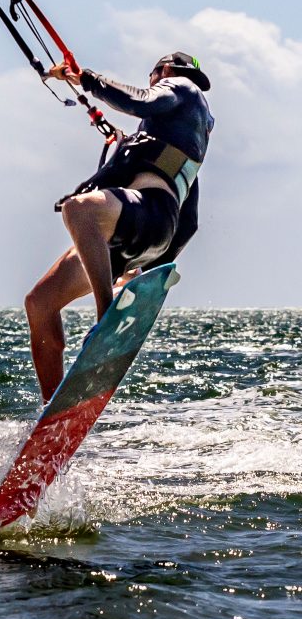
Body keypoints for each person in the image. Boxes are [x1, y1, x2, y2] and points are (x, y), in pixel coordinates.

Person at [24, 52, 215, 403]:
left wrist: (86, 79)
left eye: (155, 76)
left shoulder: (181, 87)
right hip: (137, 234)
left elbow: (139, 100)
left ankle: (105, 318)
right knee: (40, 304)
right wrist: (150, 270)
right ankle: (54, 411)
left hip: (148, 214)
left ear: (164, 71)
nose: (155, 82)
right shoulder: (181, 146)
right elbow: (189, 223)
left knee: (78, 210)